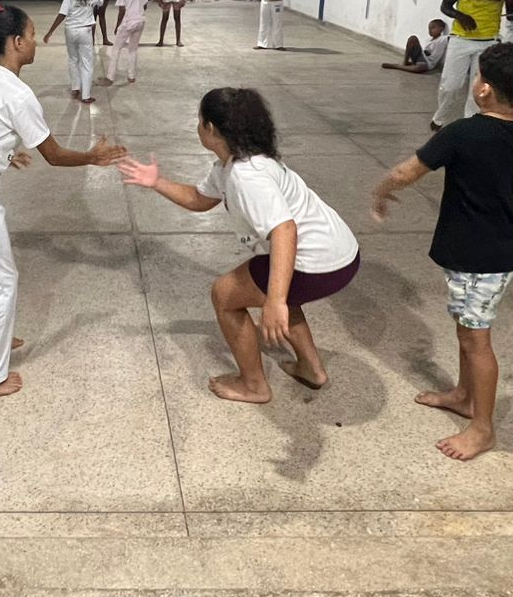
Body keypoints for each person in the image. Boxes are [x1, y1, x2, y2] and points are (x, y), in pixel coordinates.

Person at [0, 3, 126, 402]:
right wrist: (92, 156)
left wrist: (1, 152)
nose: (36, 41)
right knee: (1, 283)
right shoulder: (19, 95)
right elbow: (53, 155)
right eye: (33, 35)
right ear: (16, 43)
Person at [118, 88, 361, 403]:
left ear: (212, 130)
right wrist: (157, 182)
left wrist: (274, 302)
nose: (198, 124)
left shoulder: (247, 177)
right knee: (276, 285)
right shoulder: (234, 163)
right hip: (341, 255)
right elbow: (199, 199)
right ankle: (312, 369)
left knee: (225, 294)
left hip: (315, 263)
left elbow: (284, 231)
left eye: (200, 119)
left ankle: (254, 385)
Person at [370, 43, 513, 461]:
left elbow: (407, 172)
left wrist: (381, 190)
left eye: (477, 77)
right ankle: (465, 395)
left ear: (484, 90)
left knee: (476, 339)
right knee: (467, 329)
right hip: (499, 250)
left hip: (479, 257)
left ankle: (482, 428)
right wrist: (503, 204)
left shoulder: (461, 131)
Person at [432, 0, 513, 129]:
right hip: (461, 39)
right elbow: (445, 6)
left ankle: (470, 122)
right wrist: (460, 16)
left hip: (488, 40)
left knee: (480, 87)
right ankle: (441, 118)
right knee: (451, 85)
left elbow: (512, 10)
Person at [43, 0, 97, 104]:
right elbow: (100, 2)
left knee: (73, 59)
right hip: (85, 31)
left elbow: (62, 15)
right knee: (87, 63)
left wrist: (50, 32)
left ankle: (75, 88)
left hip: (70, 31)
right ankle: (86, 95)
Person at [102, 0, 148, 85]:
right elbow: (145, 4)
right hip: (140, 21)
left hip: (128, 24)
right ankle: (131, 76)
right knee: (133, 49)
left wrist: (118, 26)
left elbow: (121, 11)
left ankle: (110, 77)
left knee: (116, 49)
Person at [381, 20, 449, 75]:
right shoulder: (428, 40)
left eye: (433, 28)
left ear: (441, 29)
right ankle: (405, 62)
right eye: (429, 28)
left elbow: (452, 37)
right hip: (421, 57)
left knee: (419, 68)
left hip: (428, 64)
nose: (430, 30)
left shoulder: (443, 39)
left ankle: (397, 66)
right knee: (412, 38)